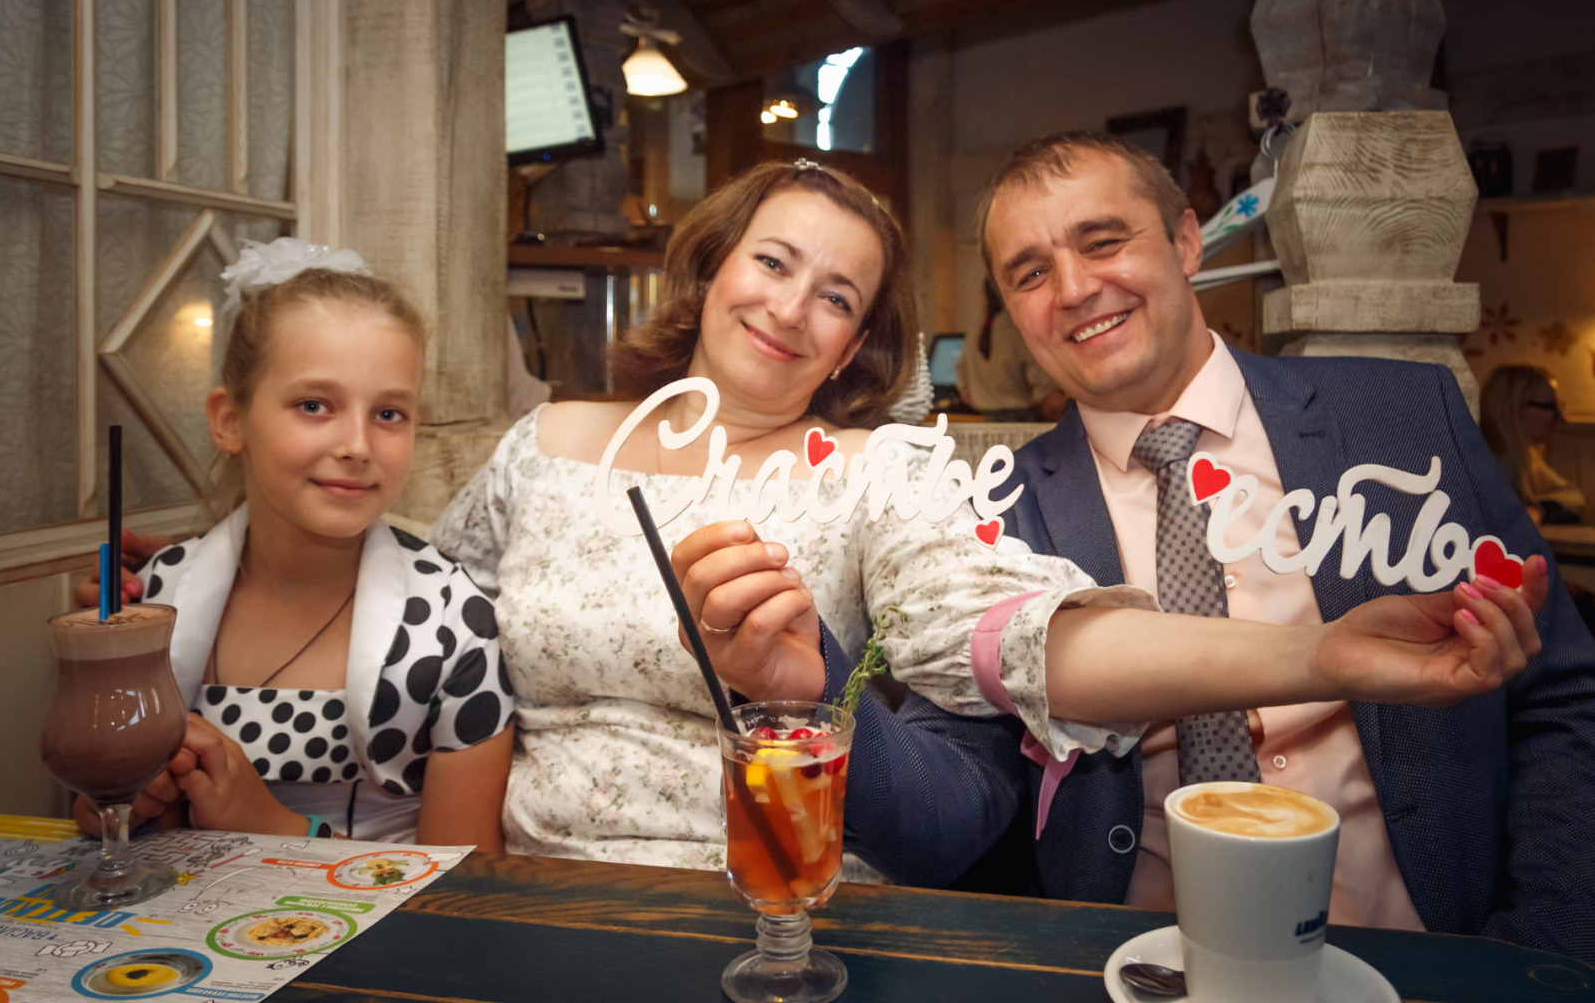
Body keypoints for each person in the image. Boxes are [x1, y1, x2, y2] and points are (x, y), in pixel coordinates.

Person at [431, 160, 1530, 886]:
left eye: (837, 296)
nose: (788, 306)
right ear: (714, 264)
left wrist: (1316, 653)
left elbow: (1015, 637)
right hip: (521, 885)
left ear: (857, 345)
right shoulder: (548, 439)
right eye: (772, 262)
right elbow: (426, 640)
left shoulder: (885, 474)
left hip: (774, 904)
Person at [678, 132, 1593, 961]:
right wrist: (821, 690)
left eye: (1104, 241)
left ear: (1187, 242)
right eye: (1029, 273)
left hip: (1422, 949)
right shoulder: (993, 511)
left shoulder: (1399, 420)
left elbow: (1560, 694)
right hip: (1131, 964)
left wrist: (1545, 945)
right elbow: (944, 818)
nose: (1074, 289)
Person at [74, 241, 514, 849]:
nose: (358, 444)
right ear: (230, 420)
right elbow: (102, 820)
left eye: (389, 414)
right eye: (314, 405)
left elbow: (464, 887)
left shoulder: (453, 624)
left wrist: (275, 827)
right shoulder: (152, 598)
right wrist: (115, 806)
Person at [1480, 363, 1585, 524]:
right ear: (1512, 408)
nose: (1562, 417)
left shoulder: (1525, 458)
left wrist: (1541, 510)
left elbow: (1573, 494)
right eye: (1549, 406)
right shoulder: (1488, 465)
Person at [957, 276, 1066, 421]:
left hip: (981, 419)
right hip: (1018, 419)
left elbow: (963, 387)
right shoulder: (1017, 331)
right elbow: (1044, 388)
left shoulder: (974, 332)